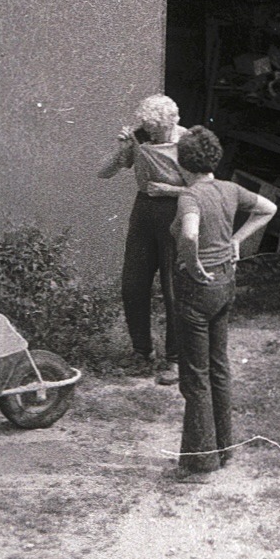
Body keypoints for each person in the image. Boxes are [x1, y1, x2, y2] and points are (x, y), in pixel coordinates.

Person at [169, 127, 276, 482]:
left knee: (195, 376)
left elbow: (188, 233)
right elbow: (268, 209)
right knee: (218, 367)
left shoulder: (190, 196)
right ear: (214, 159)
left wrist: (193, 261)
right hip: (226, 284)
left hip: (196, 290)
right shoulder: (230, 189)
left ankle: (202, 460)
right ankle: (224, 448)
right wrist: (236, 242)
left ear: (183, 163)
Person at [98, 94, 189, 385]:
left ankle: (175, 359)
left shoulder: (187, 143)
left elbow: (206, 187)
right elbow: (103, 173)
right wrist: (122, 150)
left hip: (176, 212)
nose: (151, 134)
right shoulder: (141, 140)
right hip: (144, 210)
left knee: (173, 287)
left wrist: (169, 190)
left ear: (173, 121)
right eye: (147, 129)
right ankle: (141, 351)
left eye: (156, 129)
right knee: (133, 283)